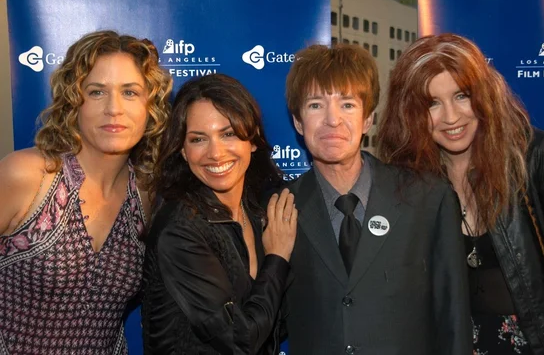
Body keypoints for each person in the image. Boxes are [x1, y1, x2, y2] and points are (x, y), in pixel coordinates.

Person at [377, 33, 544, 355]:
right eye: (432, 104)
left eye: (462, 96)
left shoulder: (540, 158)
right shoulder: (408, 178)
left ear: (483, 94)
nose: (451, 117)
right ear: (410, 113)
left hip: (536, 344)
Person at [282, 43, 471, 354]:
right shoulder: (279, 207)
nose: (332, 121)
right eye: (316, 105)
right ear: (299, 122)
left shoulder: (427, 197)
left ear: (367, 119)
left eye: (347, 105)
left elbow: (453, 318)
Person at [0, 30, 172, 354]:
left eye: (130, 92)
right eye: (96, 92)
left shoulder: (147, 195)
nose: (114, 109)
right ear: (73, 101)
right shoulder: (27, 176)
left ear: (151, 107)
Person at [142, 73, 297, 355]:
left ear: (252, 140)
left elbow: (273, 324)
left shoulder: (258, 211)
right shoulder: (179, 229)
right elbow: (240, 339)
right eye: (198, 139)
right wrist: (277, 258)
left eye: (228, 134)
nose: (215, 153)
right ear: (184, 151)